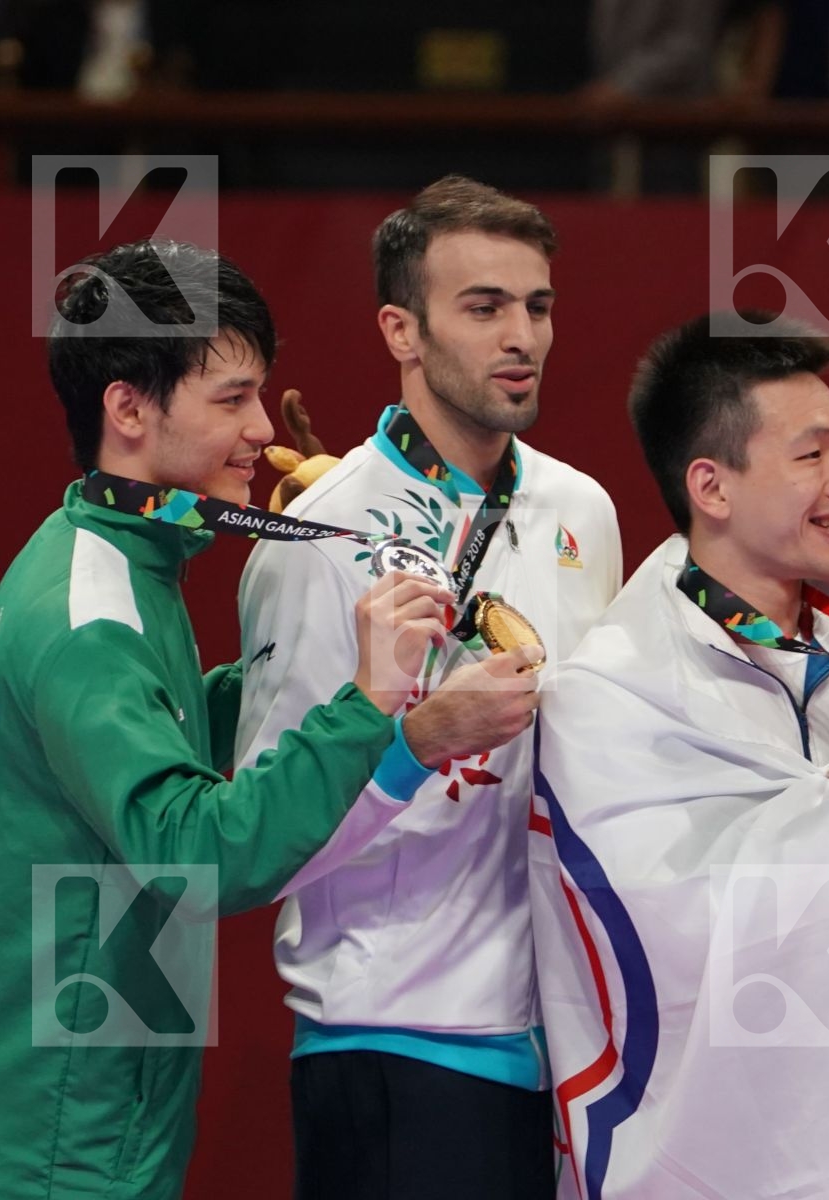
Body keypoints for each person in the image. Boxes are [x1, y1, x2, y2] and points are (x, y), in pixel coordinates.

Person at [0, 239, 536, 1200]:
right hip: (49, 1142)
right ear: (128, 408)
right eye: (231, 399)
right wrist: (377, 709)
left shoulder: (113, 556)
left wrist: (324, 632)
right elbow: (199, 857)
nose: (260, 429)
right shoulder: (91, 618)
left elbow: (165, 739)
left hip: (81, 1103)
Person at [528, 313, 829, 1199]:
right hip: (736, 1161)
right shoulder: (610, 700)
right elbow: (674, 954)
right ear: (711, 486)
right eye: (812, 457)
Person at [232, 176, 621, 1200]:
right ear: (400, 330)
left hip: (574, 1041)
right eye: (483, 306)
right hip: (396, 1045)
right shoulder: (316, 538)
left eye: (536, 306)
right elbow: (266, 836)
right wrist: (415, 746)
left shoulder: (583, 509)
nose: (522, 336)